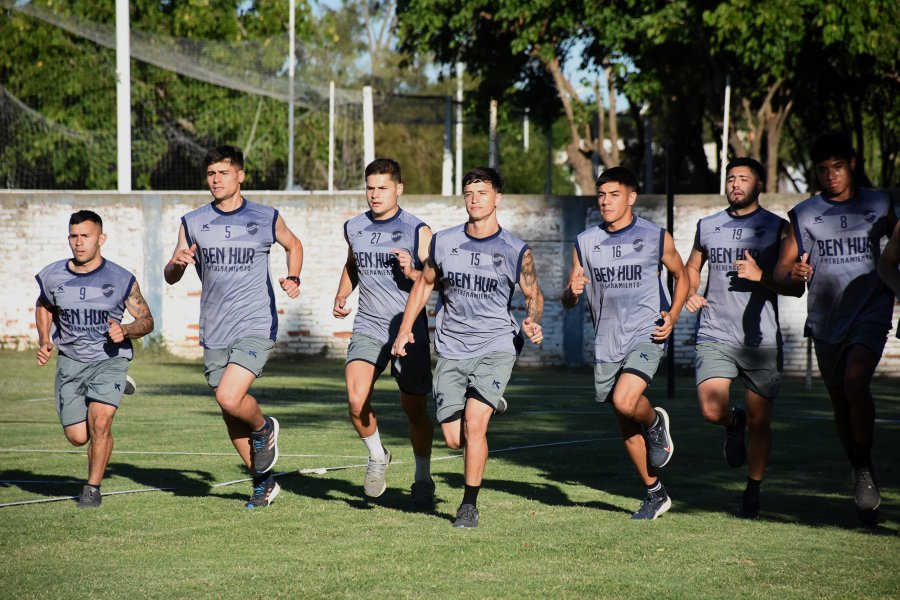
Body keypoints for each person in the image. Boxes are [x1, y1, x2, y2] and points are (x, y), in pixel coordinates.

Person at [391, 167, 544, 528]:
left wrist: (533, 319)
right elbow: (424, 285)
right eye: (469, 193)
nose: (475, 199)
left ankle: (469, 505)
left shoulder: (515, 250)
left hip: (496, 344)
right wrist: (405, 331)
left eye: (483, 193)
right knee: (454, 438)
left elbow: (533, 294)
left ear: (498, 199)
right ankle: (490, 399)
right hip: (452, 347)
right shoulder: (444, 242)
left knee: (476, 425)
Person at [164, 145, 304, 509]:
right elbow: (171, 274)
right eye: (211, 174)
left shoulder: (265, 216)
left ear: (240, 175)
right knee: (229, 408)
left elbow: (294, 244)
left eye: (223, 173)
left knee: (229, 396)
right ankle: (264, 483)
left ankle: (263, 428)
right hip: (214, 327)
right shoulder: (193, 222)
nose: (216, 180)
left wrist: (293, 276)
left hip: (255, 321)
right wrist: (177, 264)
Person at [774, 131, 895, 526]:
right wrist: (794, 272)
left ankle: (863, 472)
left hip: (871, 308)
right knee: (840, 400)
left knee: (856, 384)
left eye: (838, 167)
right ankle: (862, 468)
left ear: (853, 164)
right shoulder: (805, 213)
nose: (831, 176)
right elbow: (782, 271)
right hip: (826, 317)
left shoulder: (880, 203)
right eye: (823, 170)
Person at [562, 166, 687, 520]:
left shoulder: (655, 236)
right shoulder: (585, 242)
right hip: (607, 341)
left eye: (614, 194)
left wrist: (673, 315)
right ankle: (655, 493)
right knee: (622, 415)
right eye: (601, 195)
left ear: (631, 197)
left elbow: (682, 276)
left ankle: (655, 423)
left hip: (646, 332)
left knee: (626, 399)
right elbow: (568, 298)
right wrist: (570, 293)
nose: (605, 201)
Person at [684, 157, 802, 519]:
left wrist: (761, 274)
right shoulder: (708, 225)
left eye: (744, 179)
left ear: (759, 185)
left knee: (761, 421)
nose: (735, 184)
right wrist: (689, 291)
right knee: (710, 409)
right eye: (731, 178)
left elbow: (795, 288)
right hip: (714, 331)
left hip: (760, 340)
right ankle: (731, 424)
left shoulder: (778, 228)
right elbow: (692, 266)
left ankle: (753, 488)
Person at [333, 158, 437, 509]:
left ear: (399, 189)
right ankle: (378, 456)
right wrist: (342, 293)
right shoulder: (355, 226)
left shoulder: (417, 230)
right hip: (368, 325)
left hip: (407, 331)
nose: (375, 195)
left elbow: (431, 279)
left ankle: (423, 477)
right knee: (356, 399)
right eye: (370, 187)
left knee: (414, 410)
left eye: (383, 188)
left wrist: (412, 270)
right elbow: (352, 264)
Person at [35, 210, 155, 508]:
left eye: (85, 236)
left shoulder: (120, 278)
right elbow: (43, 305)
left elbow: (147, 320)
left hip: (108, 359)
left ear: (101, 239)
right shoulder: (53, 275)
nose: (79, 242)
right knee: (78, 436)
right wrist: (44, 339)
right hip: (71, 362)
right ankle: (111, 391)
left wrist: (125, 329)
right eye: (74, 236)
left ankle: (92, 488)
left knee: (100, 424)